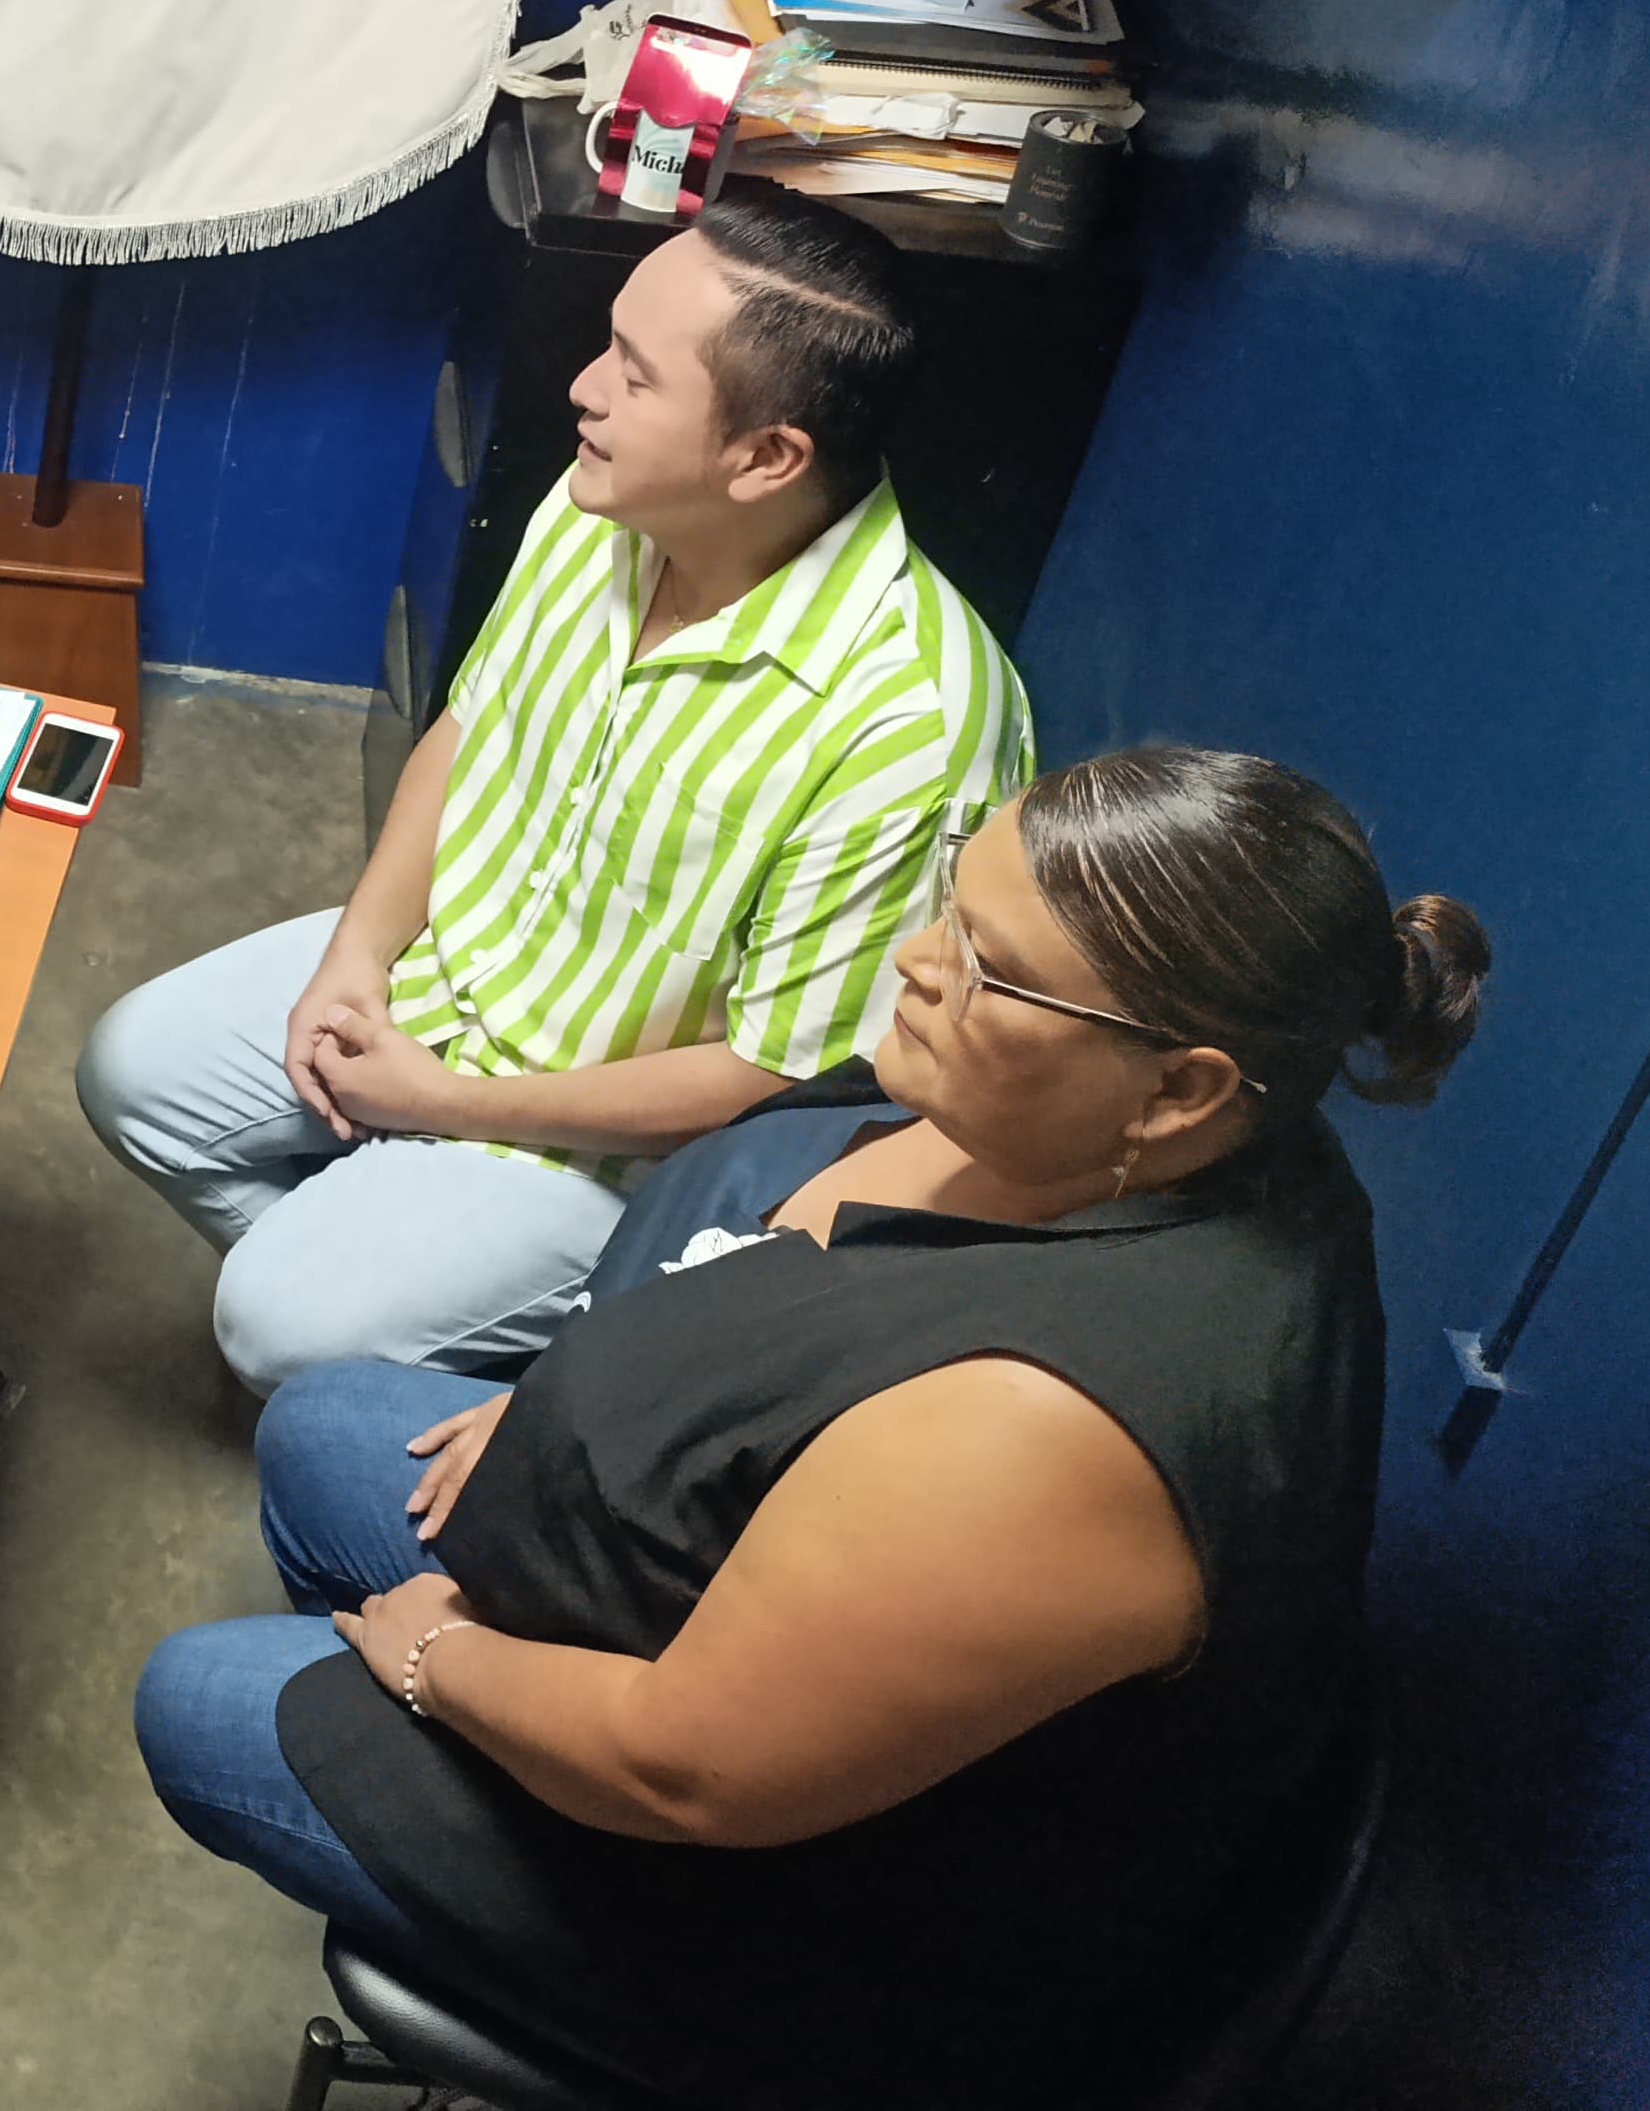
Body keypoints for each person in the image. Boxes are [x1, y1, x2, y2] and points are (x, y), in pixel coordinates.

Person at [130, 746, 1486, 2111]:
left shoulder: (1048, 1434)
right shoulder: (1193, 1132)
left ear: (1181, 1088)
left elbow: (685, 1774)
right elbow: (803, 1275)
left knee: (197, 1698)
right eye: (952, 905)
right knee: (322, 1430)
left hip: (813, 1911)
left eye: (989, 969)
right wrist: (577, 1407)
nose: (915, 961)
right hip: (777, 1632)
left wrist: (442, 1660)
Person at [79, 180, 1030, 1387]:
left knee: (278, 1324)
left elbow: (783, 1076)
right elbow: (468, 731)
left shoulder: (916, 725)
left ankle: (511, 1370)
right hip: (454, 980)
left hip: (614, 1143)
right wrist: (356, 959)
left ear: (766, 456)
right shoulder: (603, 509)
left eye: (635, 376)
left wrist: (442, 1106)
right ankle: (393, 1311)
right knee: (132, 1074)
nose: (583, 389)